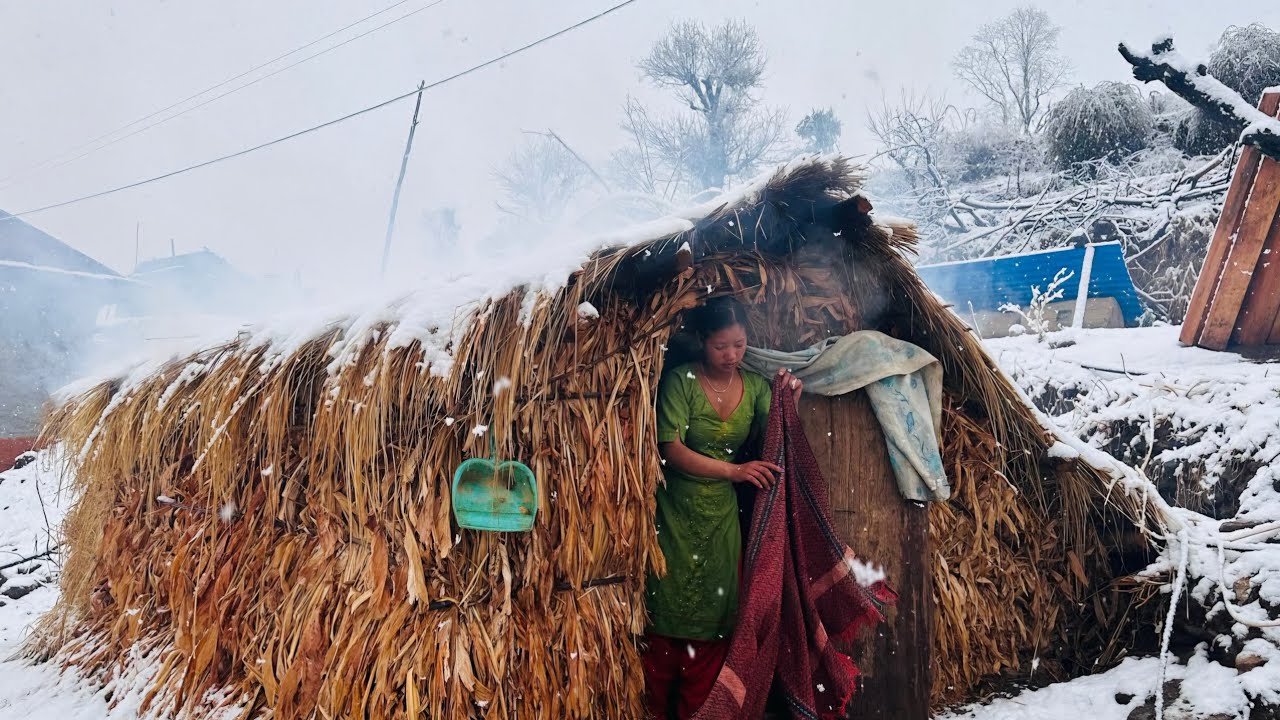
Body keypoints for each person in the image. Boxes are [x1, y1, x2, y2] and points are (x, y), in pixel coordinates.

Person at [644, 297, 802, 720]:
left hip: (722, 519)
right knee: (667, 605)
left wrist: (791, 401)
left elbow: (776, 436)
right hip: (675, 510)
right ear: (701, 342)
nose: (732, 355)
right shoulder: (681, 381)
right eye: (721, 347)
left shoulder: (753, 387)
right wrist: (734, 472)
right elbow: (669, 448)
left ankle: (703, 709)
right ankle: (660, 708)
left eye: (740, 344)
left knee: (717, 613)